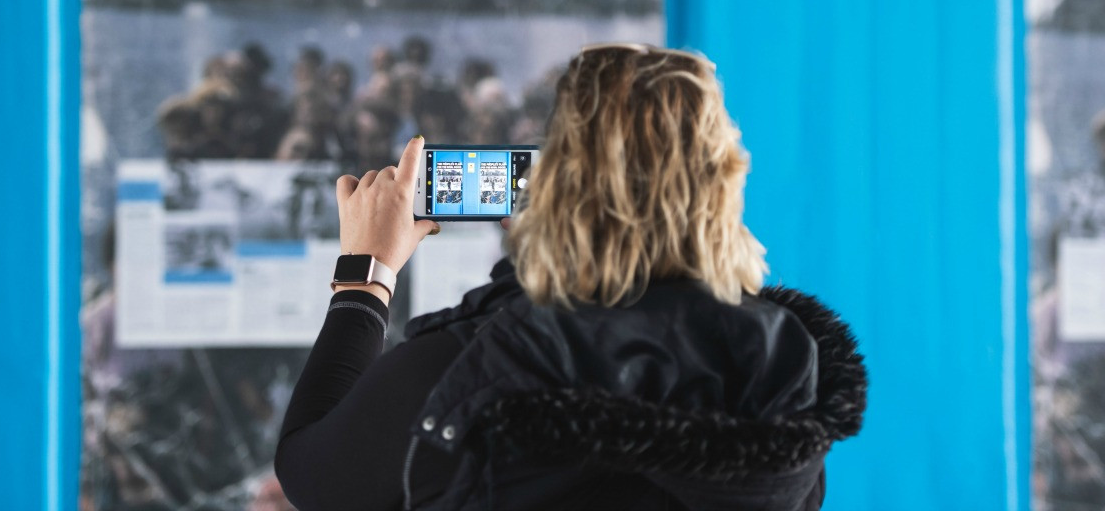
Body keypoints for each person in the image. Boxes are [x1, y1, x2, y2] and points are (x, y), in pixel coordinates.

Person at [275, 44, 867, 511]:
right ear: (721, 182)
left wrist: (365, 279)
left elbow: (310, 475)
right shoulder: (782, 377)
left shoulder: (466, 371)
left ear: (556, 183)